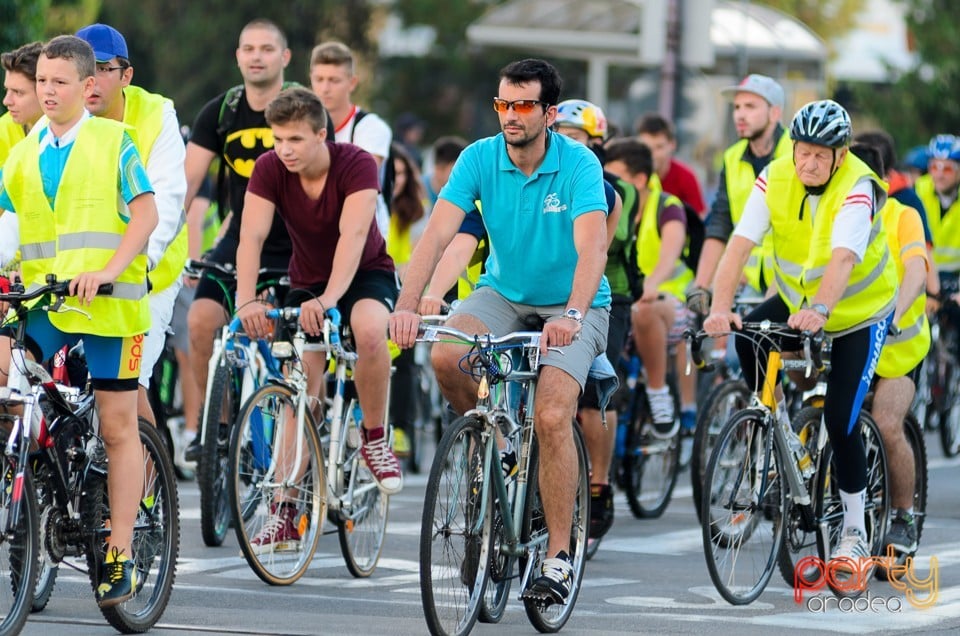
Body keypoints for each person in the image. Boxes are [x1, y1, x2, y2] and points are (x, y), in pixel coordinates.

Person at [390, 58, 610, 606]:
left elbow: (592, 248)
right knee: (445, 355)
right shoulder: (479, 157)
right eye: (502, 105)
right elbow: (437, 235)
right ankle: (494, 441)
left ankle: (560, 555)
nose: (510, 116)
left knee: (554, 413)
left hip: (573, 304)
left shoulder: (579, 164)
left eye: (523, 106)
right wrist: (407, 303)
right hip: (503, 293)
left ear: (550, 113)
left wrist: (573, 316)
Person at [704, 100, 899, 584]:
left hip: (858, 313)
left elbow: (842, 259)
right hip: (799, 302)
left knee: (841, 416)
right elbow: (740, 245)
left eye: (819, 155)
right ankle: (788, 439)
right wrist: (718, 306)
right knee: (749, 337)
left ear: (840, 154)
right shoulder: (775, 176)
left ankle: (854, 528)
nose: (808, 164)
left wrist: (823, 309)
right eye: (801, 152)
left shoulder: (859, 186)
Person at [0, 35, 159, 606]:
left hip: (111, 305)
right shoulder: (21, 154)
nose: (47, 91)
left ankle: (118, 551)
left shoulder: (116, 141)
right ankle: (36, 468)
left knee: (118, 427)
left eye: (59, 82)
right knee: (6, 367)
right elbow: (8, 233)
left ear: (88, 87)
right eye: (41, 80)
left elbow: (146, 214)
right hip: (50, 303)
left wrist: (111, 268)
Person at [235, 89, 402, 538]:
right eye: (277, 139)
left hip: (365, 273)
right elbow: (251, 235)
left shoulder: (357, 164)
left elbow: (353, 236)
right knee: (301, 388)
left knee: (369, 333)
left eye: (294, 139)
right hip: (305, 280)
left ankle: (374, 438)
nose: (284, 150)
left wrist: (329, 301)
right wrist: (245, 298)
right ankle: (286, 508)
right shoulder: (270, 168)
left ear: (322, 136)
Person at [182, 19, 295, 461]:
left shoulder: (303, 110)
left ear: (284, 58)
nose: (256, 56)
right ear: (237, 56)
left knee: (297, 344)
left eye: (267, 48)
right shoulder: (220, 112)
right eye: (248, 48)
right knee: (200, 321)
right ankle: (219, 425)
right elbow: (187, 185)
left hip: (297, 242)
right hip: (240, 237)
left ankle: (306, 420)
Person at [75, 22, 188, 444]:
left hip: (148, 274)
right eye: (82, 68)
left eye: (102, 68)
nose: (91, 80)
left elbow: (167, 203)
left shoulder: (157, 114)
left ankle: (146, 496)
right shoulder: (65, 118)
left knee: (130, 384)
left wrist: (140, 266)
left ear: (127, 75)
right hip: (83, 271)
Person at [553, 98, 631, 544]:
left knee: (592, 392)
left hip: (607, 293)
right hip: (548, 295)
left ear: (597, 144)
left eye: (577, 137)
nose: (566, 144)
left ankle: (598, 483)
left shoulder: (612, 189)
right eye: (559, 135)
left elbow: (597, 246)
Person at [848, 142, 929, 563]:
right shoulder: (835, 216)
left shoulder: (903, 216)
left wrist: (894, 313)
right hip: (848, 343)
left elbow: (917, 267)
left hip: (898, 347)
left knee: (886, 422)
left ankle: (903, 515)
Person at [603, 138, 694, 438]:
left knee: (645, 311)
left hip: (668, 302)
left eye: (615, 176)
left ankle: (658, 392)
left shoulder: (666, 206)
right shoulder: (606, 206)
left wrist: (651, 286)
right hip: (620, 299)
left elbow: (670, 255)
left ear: (639, 180)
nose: (608, 183)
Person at [688, 74, 789, 307]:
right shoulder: (731, 157)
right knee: (733, 340)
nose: (740, 115)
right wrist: (702, 286)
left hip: (793, 279)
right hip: (749, 280)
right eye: (737, 107)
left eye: (750, 106)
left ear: (775, 113)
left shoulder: (797, 155)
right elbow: (720, 223)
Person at [310, 41, 392, 236]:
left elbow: (359, 181)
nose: (325, 88)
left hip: (368, 238)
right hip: (319, 234)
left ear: (352, 83)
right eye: (319, 79)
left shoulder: (371, 127)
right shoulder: (303, 128)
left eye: (334, 80)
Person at [385, 141, 426, 460]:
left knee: (403, 352)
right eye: (390, 173)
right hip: (376, 287)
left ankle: (400, 427)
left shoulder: (415, 213)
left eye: (400, 173)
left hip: (404, 291)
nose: (395, 179)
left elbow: (420, 256)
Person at [0, 41, 43, 264]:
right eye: (8, 90)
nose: (7, 101)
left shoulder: (73, 138)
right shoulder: (3, 130)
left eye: (18, 92)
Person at [914, 134, 960, 300]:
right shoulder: (918, 189)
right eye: (934, 168)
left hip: (955, 279)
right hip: (921, 274)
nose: (939, 175)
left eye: (947, 169)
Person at [635, 113, 706, 216]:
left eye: (659, 147)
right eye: (646, 147)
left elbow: (699, 219)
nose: (652, 154)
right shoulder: (630, 175)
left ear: (672, 145)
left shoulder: (686, 178)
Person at [422, 135, 468, 208]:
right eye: (458, 171)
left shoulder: (466, 194)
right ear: (439, 169)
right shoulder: (415, 192)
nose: (464, 176)